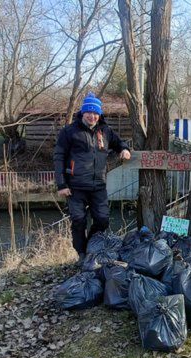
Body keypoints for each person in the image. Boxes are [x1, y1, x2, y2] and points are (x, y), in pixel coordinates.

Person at [54, 92, 131, 261]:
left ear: (99, 114)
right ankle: (82, 254)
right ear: (83, 112)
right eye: (89, 112)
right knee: (79, 220)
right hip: (75, 187)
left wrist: (124, 150)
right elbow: (59, 157)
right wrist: (61, 184)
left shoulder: (105, 131)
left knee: (103, 220)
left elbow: (120, 143)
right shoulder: (69, 132)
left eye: (96, 113)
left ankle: (91, 247)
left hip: (98, 186)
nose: (92, 116)